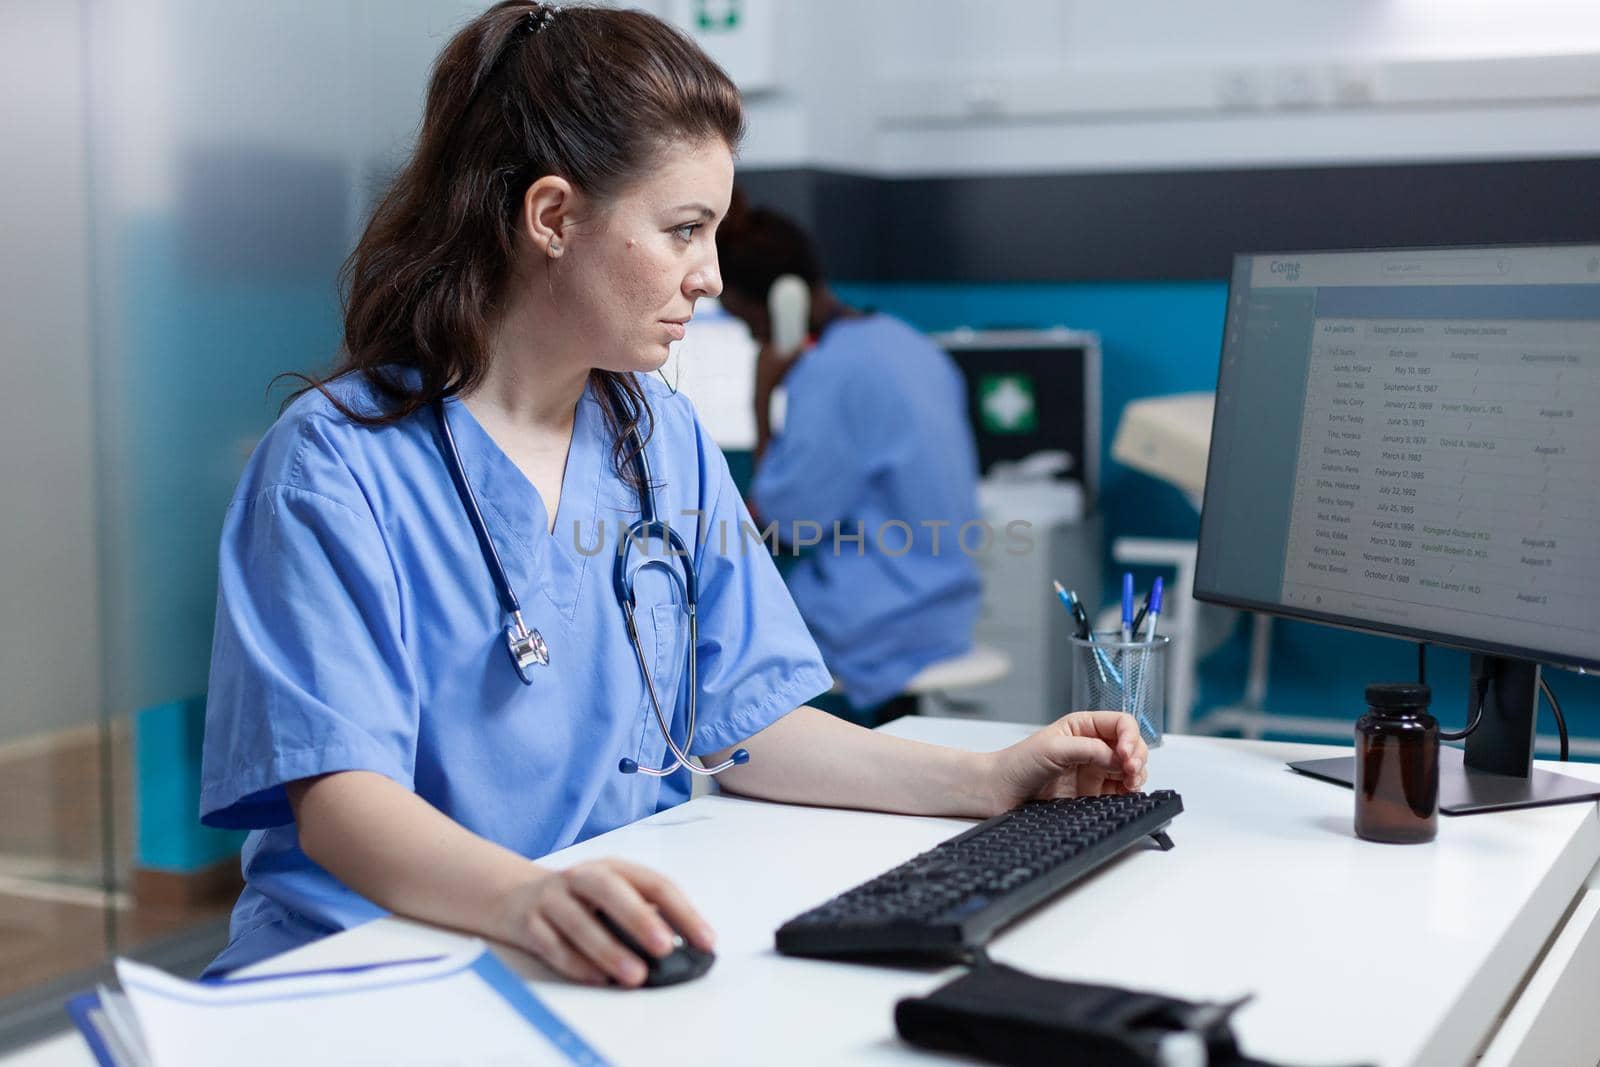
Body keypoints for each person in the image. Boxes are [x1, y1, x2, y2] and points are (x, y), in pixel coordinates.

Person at [200, 1, 1148, 990]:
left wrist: (985, 777)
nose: (710, 277)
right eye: (685, 229)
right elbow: (343, 801)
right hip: (377, 962)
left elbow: (746, 723)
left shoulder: (656, 437)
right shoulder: (335, 464)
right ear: (553, 217)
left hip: (595, 944)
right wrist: (525, 900)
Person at [715, 202, 983, 722]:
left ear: (779, 303)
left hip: (878, 624)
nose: (752, 339)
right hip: (942, 610)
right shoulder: (907, 343)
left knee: (705, 628)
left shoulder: (832, 373)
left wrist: (762, 400)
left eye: (747, 324)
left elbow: (785, 525)